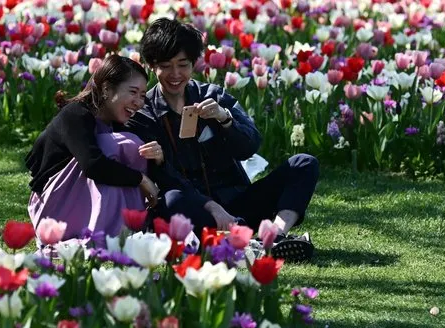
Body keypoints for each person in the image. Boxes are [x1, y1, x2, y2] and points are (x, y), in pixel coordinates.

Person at [126, 18, 319, 261]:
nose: (175, 74)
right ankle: (245, 243)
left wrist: (224, 119)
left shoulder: (212, 96)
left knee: (303, 163)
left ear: (194, 63)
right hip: (194, 209)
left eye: (182, 64)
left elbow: (250, 146)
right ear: (151, 66)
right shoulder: (145, 115)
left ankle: (274, 237)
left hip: (238, 202)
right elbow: (161, 178)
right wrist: (210, 206)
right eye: (166, 66)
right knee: (173, 199)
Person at [25, 55, 164, 242]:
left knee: (132, 145)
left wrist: (158, 157)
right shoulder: (75, 114)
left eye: (142, 96)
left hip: (81, 201)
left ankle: (125, 228)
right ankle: (110, 231)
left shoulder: (116, 121)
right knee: (115, 145)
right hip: (53, 211)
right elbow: (93, 166)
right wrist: (142, 180)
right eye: (133, 92)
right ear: (106, 88)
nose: (138, 103)